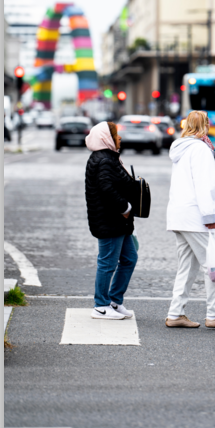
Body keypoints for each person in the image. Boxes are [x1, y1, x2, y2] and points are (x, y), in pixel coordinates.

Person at [164, 111, 215, 330]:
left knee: (186, 267)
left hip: (180, 215)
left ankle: (176, 313)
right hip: (197, 216)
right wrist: (210, 217)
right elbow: (204, 186)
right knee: (212, 266)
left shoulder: (181, 148)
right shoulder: (201, 150)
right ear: (204, 125)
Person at [84, 121, 138, 320]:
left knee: (129, 259)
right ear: (107, 138)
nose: (120, 137)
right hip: (110, 220)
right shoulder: (104, 160)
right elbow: (106, 188)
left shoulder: (109, 157)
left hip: (117, 222)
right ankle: (100, 305)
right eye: (116, 134)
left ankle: (114, 301)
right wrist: (125, 207)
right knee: (107, 262)